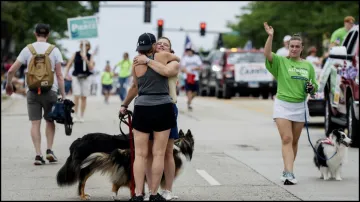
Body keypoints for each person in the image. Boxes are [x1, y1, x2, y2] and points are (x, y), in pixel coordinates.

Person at [120, 33, 179, 201]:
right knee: (159, 153)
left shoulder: (136, 62)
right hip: (163, 107)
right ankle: (154, 194)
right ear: (154, 45)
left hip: (142, 107)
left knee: (140, 154)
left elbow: (135, 87)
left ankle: (138, 194)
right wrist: (159, 58)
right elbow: (177, 58)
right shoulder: (163, 56)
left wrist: (124, 105)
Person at [263, 22, 318, 185]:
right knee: (286, 138)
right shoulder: (281, 61)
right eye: (291, 46)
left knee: (294, 141)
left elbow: (314, 88)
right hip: (283, 105)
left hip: (300, 106)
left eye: (297, 46)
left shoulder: (308, 66)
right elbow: (267, 54)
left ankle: (288, 168)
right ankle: (289, 173)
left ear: (302, 48)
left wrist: (311, 88)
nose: (294, 49)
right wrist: (270, 36)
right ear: (288, 47)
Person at [5, 23, 65, 165]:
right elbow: (59, 75)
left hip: (32, 91)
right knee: (50, 121)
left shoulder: (28, 49)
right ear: (48, 34)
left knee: (35, 123)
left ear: (35, 34)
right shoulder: (54, 50)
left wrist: (8, 84)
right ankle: (49, 150)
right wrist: (63, 94)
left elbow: (11, 71)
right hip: (50, 90)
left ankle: (38, 155)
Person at [64, 40, 95, 123]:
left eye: (86, 45)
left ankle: (82, 116)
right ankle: (75, 115)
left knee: (84, 96)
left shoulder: (90, 55)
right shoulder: (76, 54)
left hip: (86, 77)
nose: (83, 46)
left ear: (88, 47)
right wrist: (66, 74)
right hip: (76, 77)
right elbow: (69, 64)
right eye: (82, 44)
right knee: (76, 95)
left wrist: (86, 60)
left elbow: (91, 67)